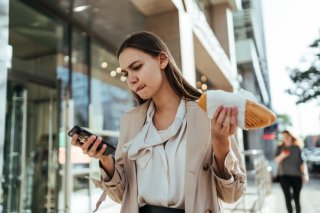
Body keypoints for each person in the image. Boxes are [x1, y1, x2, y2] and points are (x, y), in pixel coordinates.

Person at [71, 31, 246, 213]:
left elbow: (233, 194)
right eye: (125, 74)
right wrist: (105, 159)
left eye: (137, 67)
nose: (131, 79)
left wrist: (221, 143)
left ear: (162, 60)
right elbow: (122, 196)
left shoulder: (206, 114)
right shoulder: (131, 121)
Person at [274, 130, 309, 213]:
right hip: (284, 176)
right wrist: (282, 155)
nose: (285, 138)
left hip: (297, 176)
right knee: (287, 197)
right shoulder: (280, 147)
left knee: (296, 198)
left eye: (287, 136)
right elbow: (276, 160)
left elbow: (302, 163)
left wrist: (304, 175)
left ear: (291, 137)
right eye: (284, 136)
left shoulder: (297, 148)